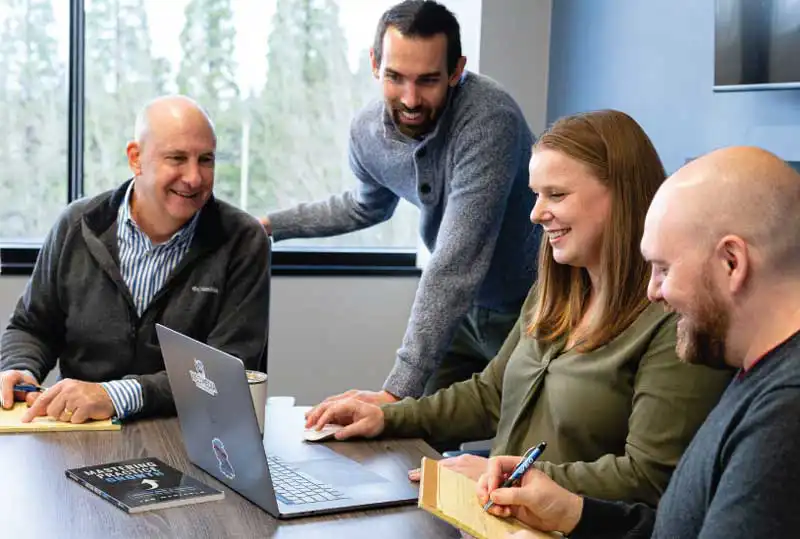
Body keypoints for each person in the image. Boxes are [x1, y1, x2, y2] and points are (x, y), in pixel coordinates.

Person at [305, 109, 732, 504]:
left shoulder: (674, 319)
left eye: (556, 194)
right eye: (536, 195)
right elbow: (491, 396)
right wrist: (387, 416)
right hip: (495, 514)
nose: (536, 213)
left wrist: (506, 475)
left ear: (620, 195)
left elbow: (650, 478)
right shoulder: (554, 292)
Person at [477, 146, 800, 538]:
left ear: (731, 262)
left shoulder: (785, 415)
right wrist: (578, 516)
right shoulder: (757, 374)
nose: (652, 292)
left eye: (664, 269)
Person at [261, 0, 539, 405]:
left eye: (427, 80)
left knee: (519, 443)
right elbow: (365, 206)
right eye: (395, 77)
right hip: (461, 312)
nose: (410, 99)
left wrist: (393, 394)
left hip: (530, 308)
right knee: (415, 434)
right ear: (375, 64)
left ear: (456, 71)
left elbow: (456, 262)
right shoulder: (367, 133)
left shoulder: (488, 120)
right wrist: (269, 226)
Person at [0, 95, 271, 424]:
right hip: (77, 428)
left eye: (206, 160)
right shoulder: (77, 224)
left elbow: (228, 368)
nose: (195, 177)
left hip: (190, 436)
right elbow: (32, 327)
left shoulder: (243, 240)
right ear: (136, 158)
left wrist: (115, 395)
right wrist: (19, 367)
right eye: (177, 158)